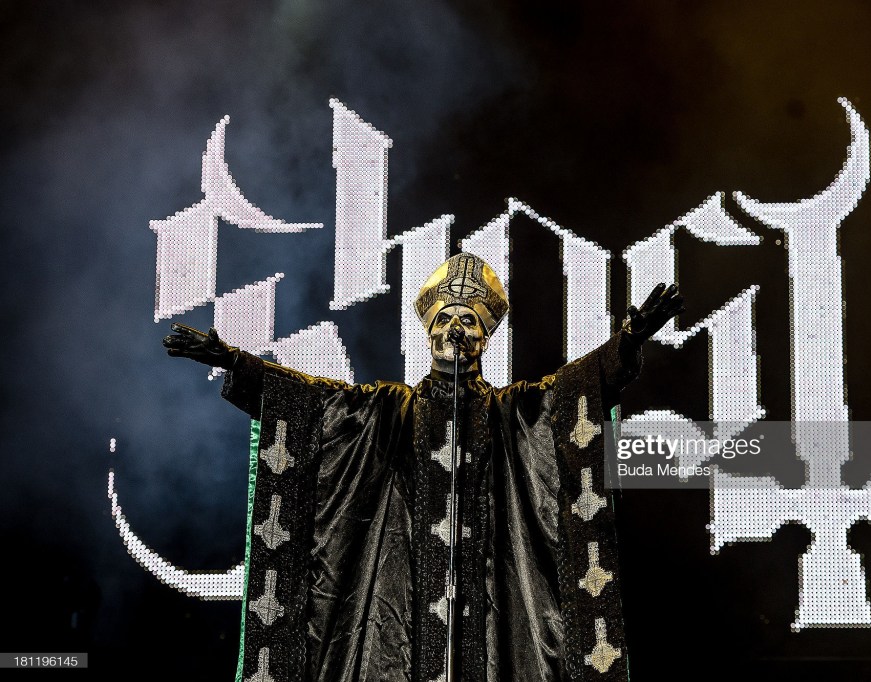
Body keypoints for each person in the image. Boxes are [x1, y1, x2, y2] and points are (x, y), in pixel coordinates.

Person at [164, 252, 683, 682]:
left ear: (484, 338)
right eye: (446, 319)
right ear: (429, 331)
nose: (456, 329)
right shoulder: (386, 411)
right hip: (398, 628)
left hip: (492, 633)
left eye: (469, 321)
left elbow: (567, 396)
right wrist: (235, 362)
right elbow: (313, 404)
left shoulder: (511, 414)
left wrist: (626, 344)